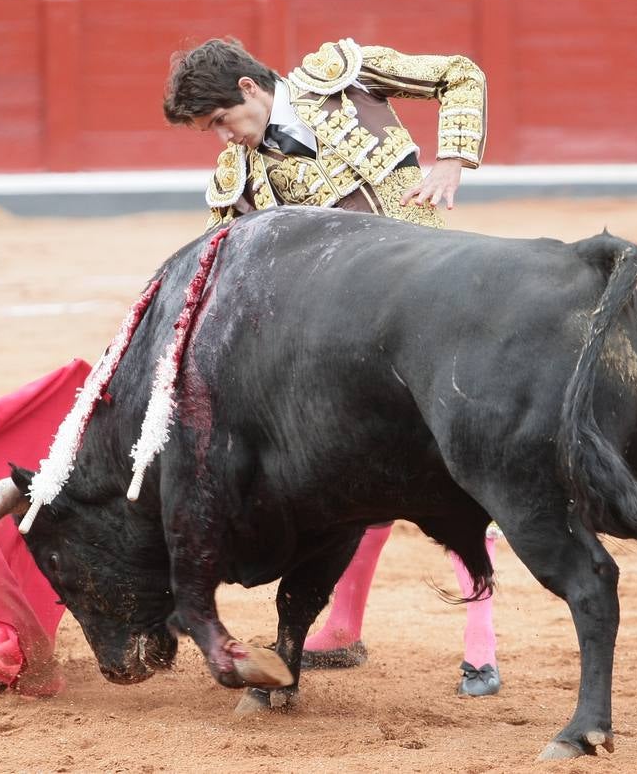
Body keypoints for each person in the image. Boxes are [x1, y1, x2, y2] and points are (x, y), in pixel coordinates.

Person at [161, 37, 502, 697]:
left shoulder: (339, 76)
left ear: (250, 92)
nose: (223, 138)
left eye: (221, 121)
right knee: (360, 484)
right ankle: (342, 627)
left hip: (439, 307)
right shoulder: (240, 178)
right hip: (351, 349)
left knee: (467, 475)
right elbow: (222, 276)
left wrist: (453, 158)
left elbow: (459, 73)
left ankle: (481, 649)